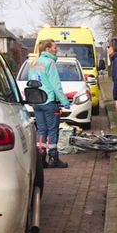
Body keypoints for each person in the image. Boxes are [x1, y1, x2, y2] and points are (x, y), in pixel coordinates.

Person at [27, 39, 71, 168]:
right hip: (48, 101)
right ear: (47, 49)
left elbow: (31, 81)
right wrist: (64, 101)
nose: (56, 50)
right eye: (54, 47)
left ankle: (41, 159)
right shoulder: (50, 62)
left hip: (37, 101)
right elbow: (55, 84)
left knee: (41, 129)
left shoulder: (34, 62)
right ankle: (53, 158)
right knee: (52, 130)